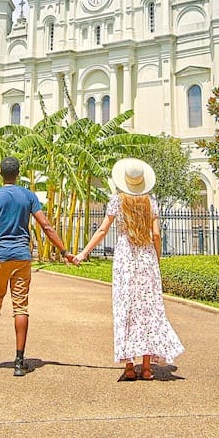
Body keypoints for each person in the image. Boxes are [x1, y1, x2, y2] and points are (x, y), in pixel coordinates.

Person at [75, 158, 183, 381]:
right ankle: (146, 367)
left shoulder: (116, 201)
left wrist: (83, 252)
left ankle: (129, 367)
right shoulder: (150, 202)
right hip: (146, 257)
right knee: (147, 310)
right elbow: (156, 235)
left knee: (127, 308)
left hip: (125, 257)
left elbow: (103, 230)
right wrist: (157, 258)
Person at [0, 155, 75, 377]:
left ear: (0, 174)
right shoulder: (28, 196)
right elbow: (46, 226)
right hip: (22, 257)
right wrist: (64, 251)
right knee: (20, 307)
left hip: (0, 258)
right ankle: (20, 362)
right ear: (17, 174)